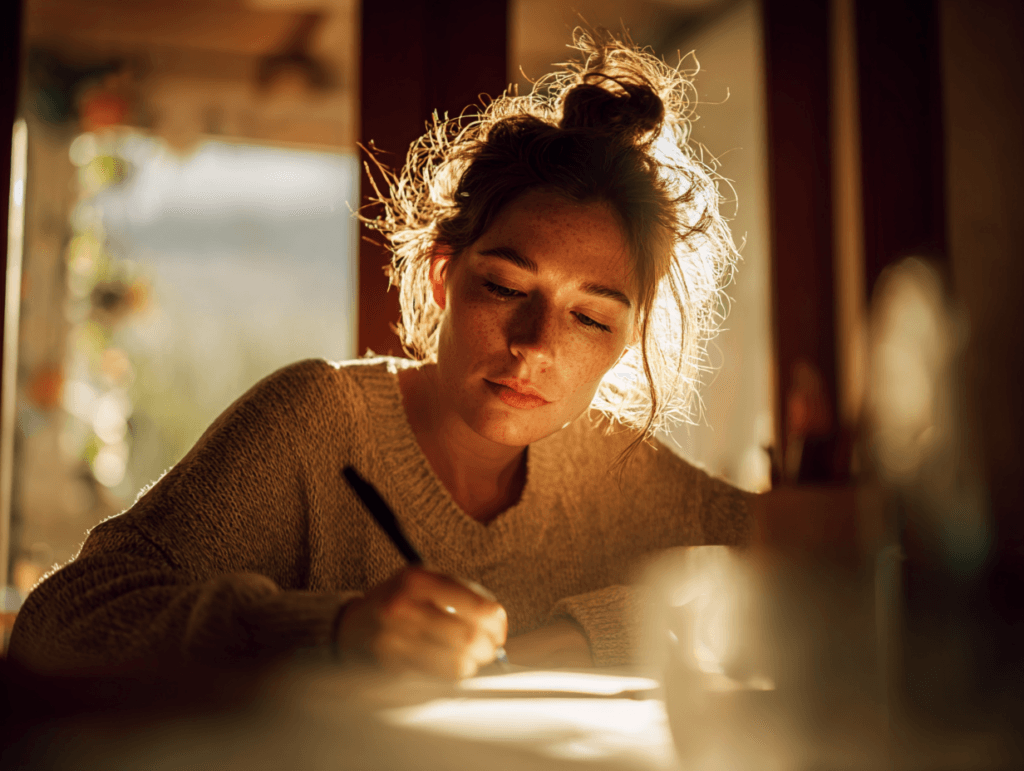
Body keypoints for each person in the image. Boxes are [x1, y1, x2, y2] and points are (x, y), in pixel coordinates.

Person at [9, 30, 750, 679]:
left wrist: (593, 633)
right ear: (440, 276)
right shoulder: (318, 424)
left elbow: (808, 561)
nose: (534, 346)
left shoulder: (614, 469)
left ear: (629, 340)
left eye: (589, 318)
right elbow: (59, 624)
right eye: (502, 286)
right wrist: (330, 631)